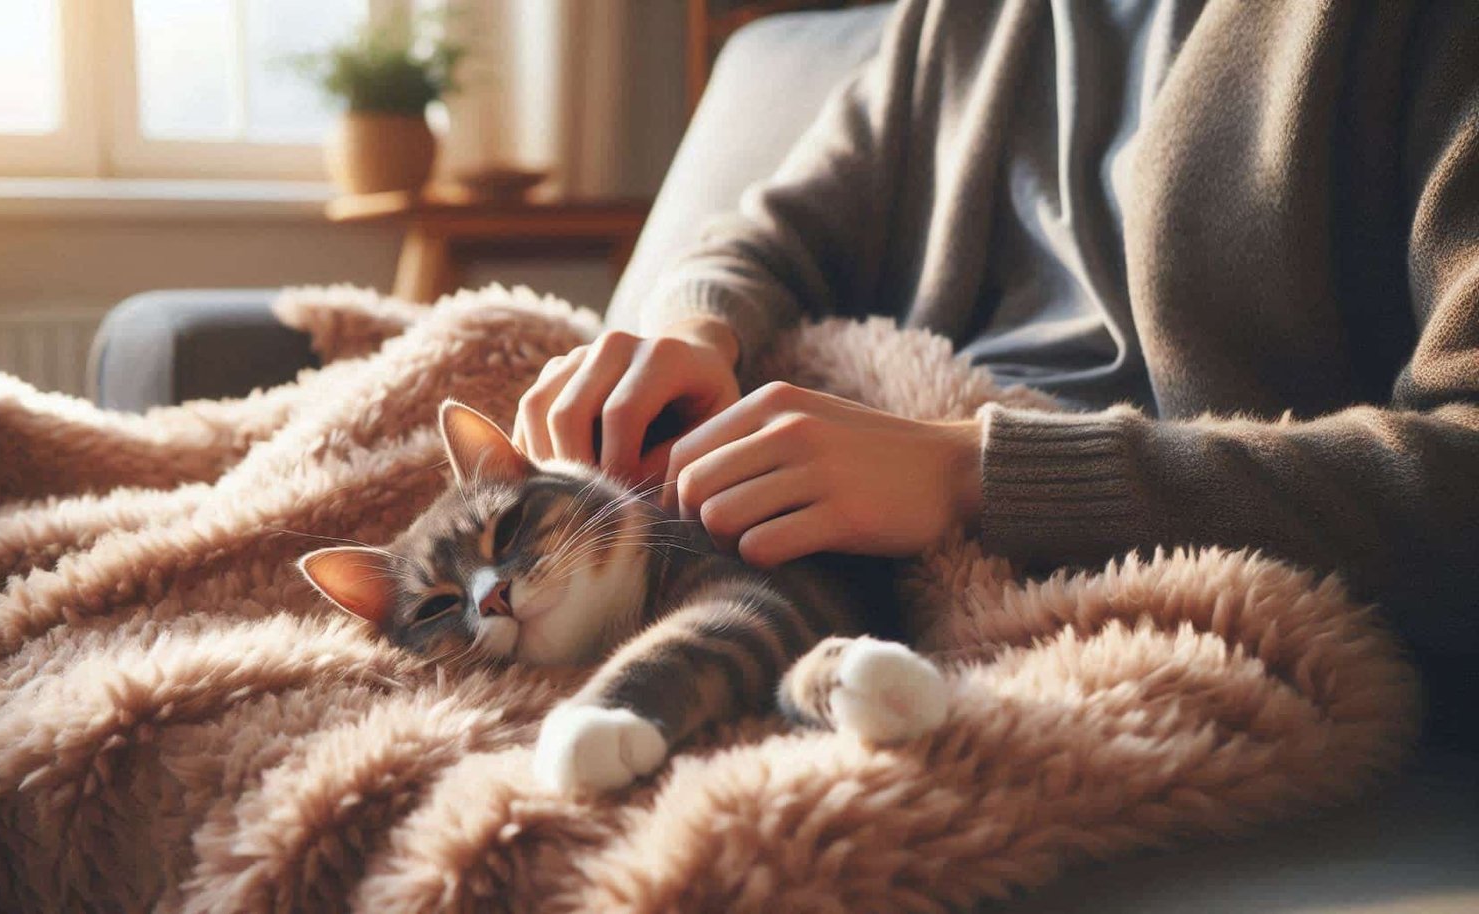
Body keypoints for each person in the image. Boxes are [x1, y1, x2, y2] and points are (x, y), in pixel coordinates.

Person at [514, 0, 1479, 739]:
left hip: (1096, 586)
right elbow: (768, 235)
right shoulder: (965, 21)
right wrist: (692, 331)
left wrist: (972, 474)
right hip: (831, 489)